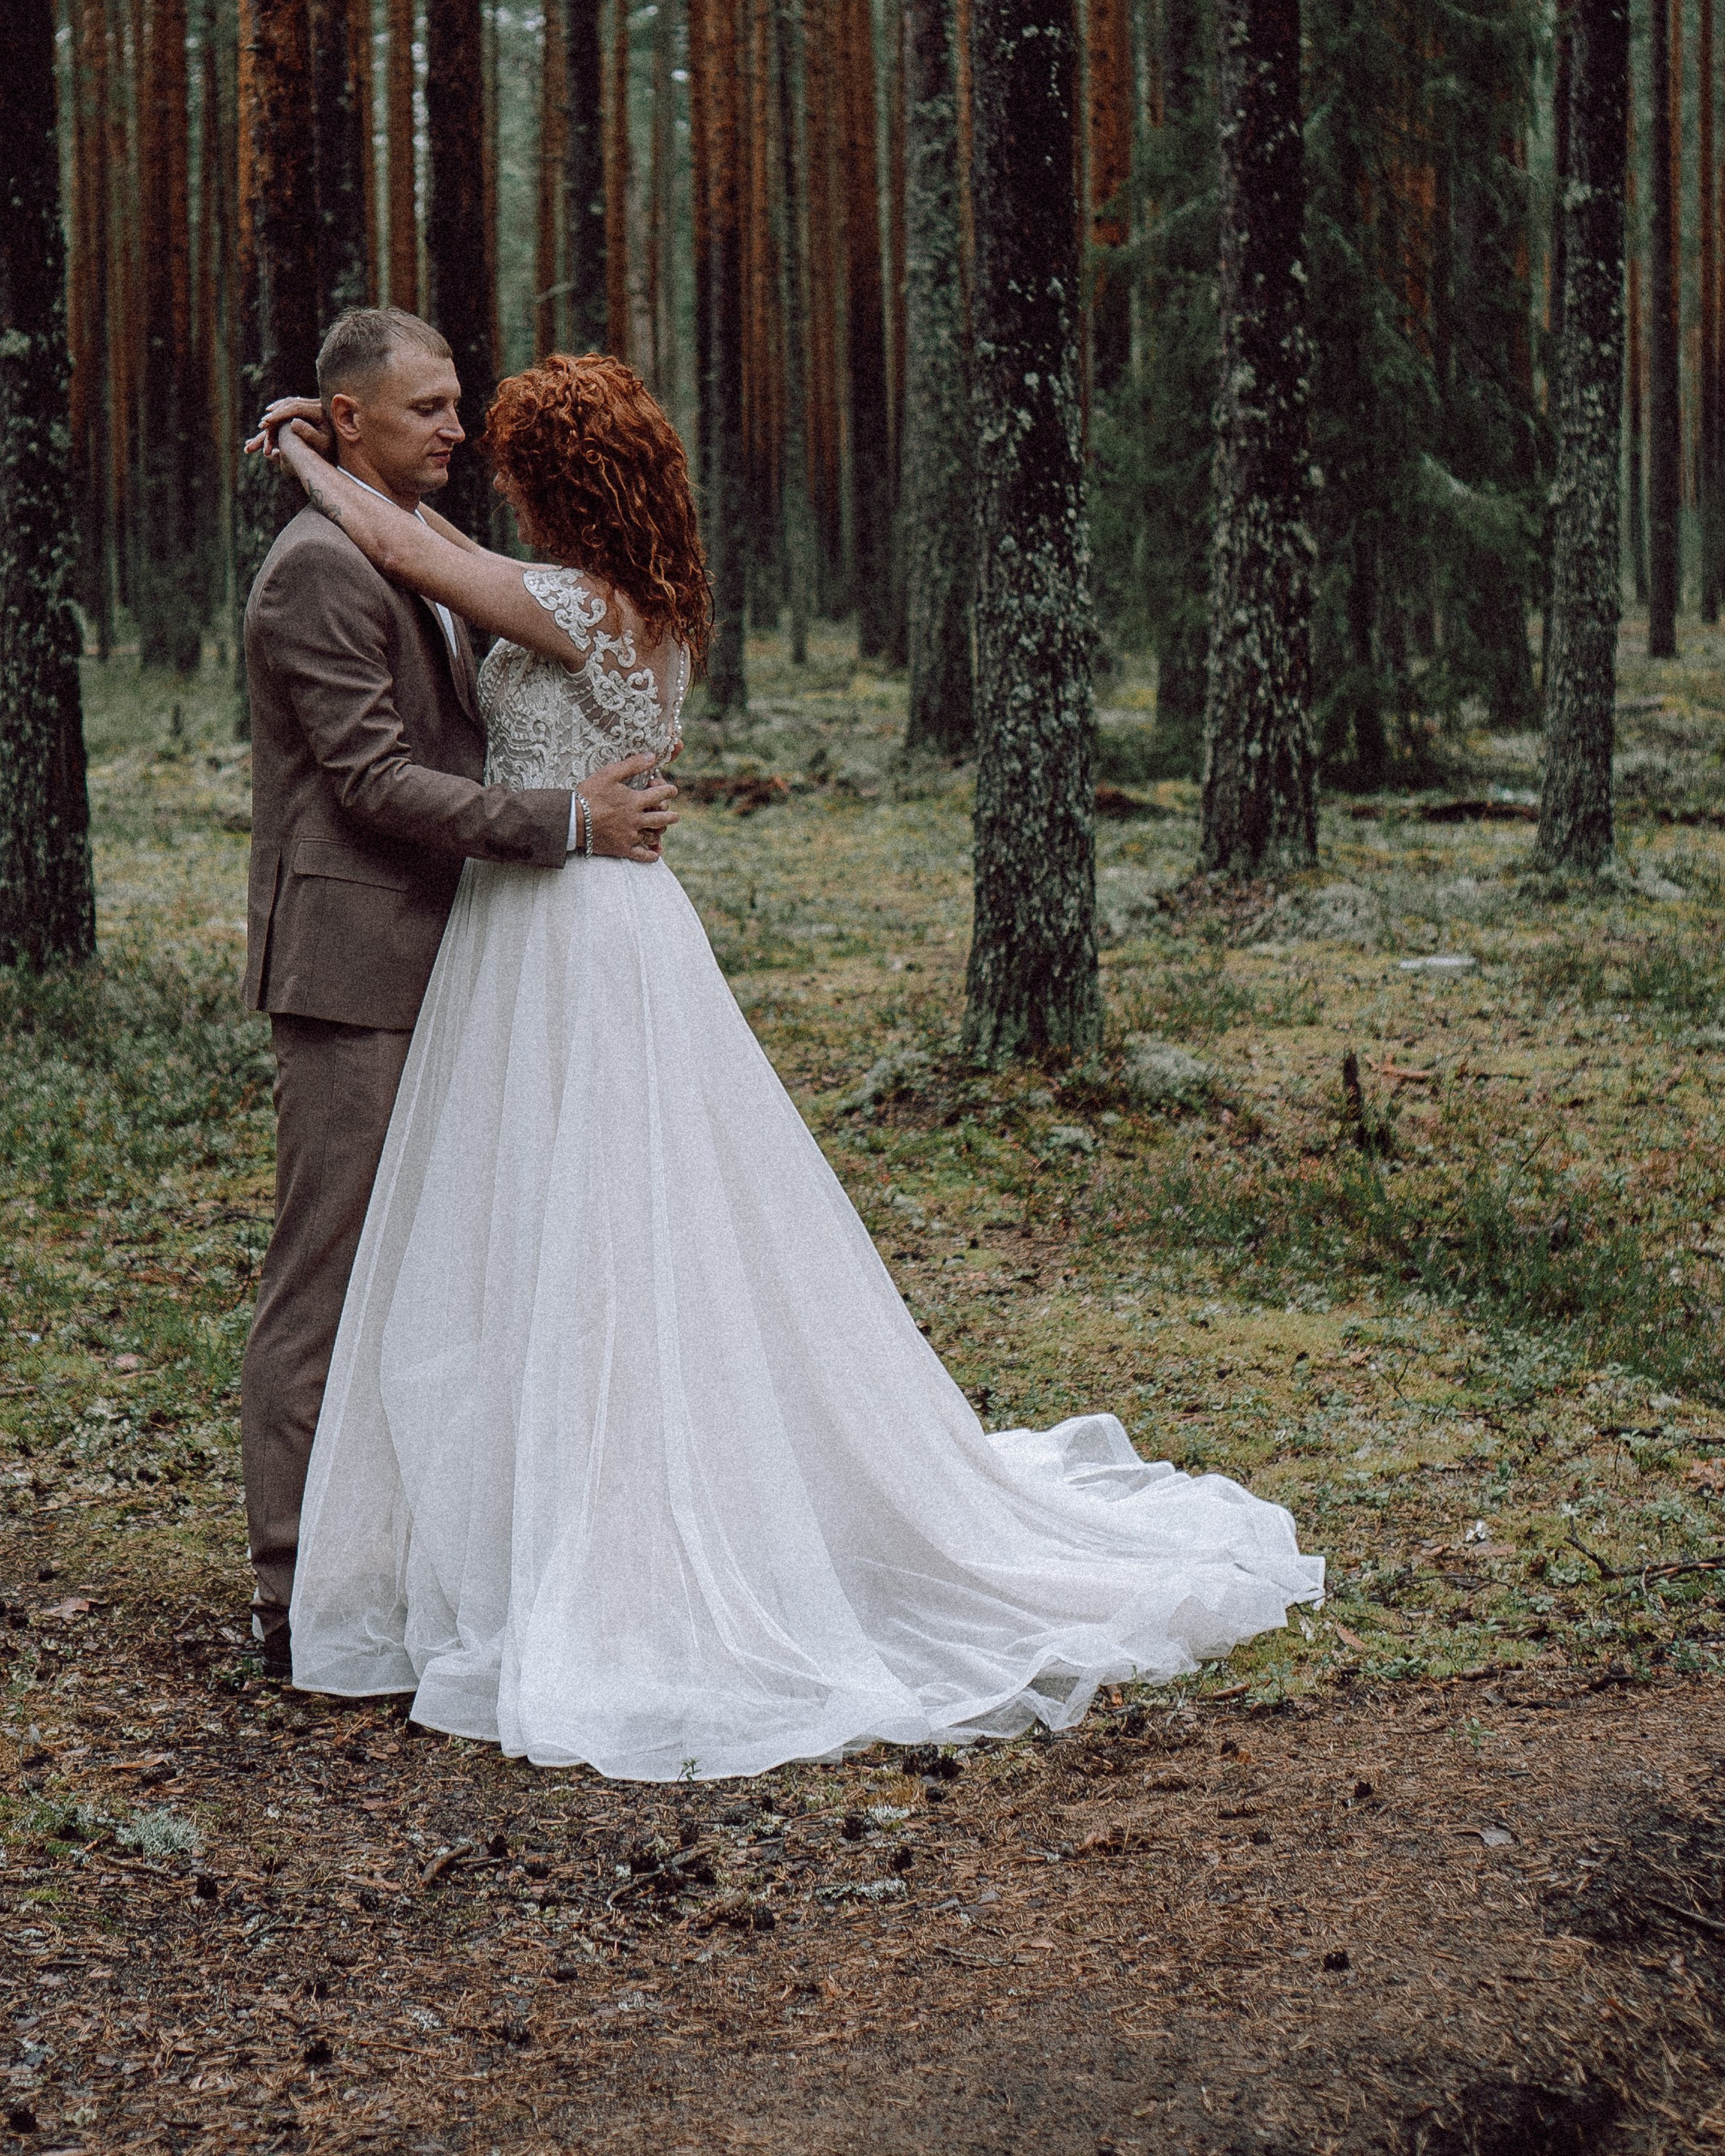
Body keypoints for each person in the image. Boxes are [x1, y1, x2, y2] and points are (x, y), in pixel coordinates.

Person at [254, 350, 1321, 1779]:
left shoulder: (577, 606)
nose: (478, 456)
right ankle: (509, 1524)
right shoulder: (622, 596)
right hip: (556, 930)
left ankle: (599, 1533)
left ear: (560, 480)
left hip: (571, 933)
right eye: (446, 421)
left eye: (507, 446)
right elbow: (438, 552)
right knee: (571, 1237)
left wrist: (304, 459)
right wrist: (337, 468)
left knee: (602, 1241)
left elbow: (409, 544)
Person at [238, 307, 676, 1682]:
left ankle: (433, 1557)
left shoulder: (484, 571)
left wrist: (309, 456)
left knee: (482, 1266)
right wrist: (560, 818)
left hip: (502, 956)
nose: (459, 431)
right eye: (429, 408)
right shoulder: (321, 569)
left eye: (465, 410)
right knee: (329, 1271)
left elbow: (439, 562)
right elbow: (367, 780)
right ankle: (292, 1589)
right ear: (352, 414)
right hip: (365, 964)